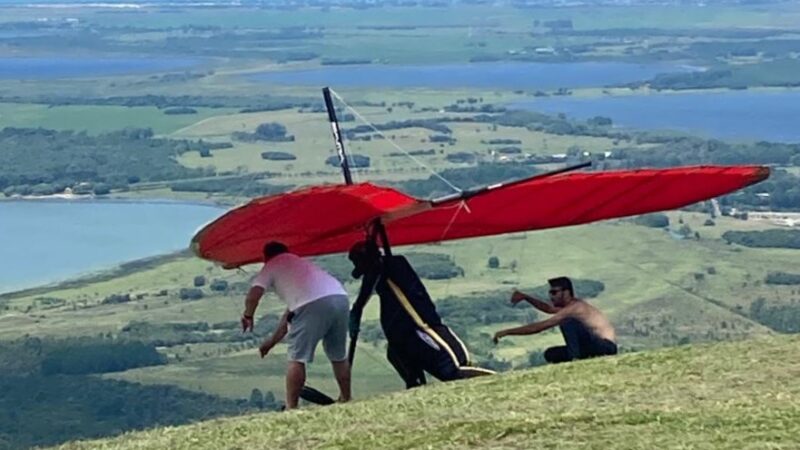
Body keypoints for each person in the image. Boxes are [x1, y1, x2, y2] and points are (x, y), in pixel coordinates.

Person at [348, 240, 493, 388]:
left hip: (422, 329)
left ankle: (497, 380)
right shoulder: (380, 273)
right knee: (403, 366)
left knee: (452, 371)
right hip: (403, 338)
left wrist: (357, 308)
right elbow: (369, 282)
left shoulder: (393, 265)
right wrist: (356, 310)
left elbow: (372, 277)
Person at [242, 241, 351, 409]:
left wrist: (248, 315)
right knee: (338, 355)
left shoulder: (272, 265)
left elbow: (253, 295)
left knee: (296, 358)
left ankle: (291, 408)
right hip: (340, 297)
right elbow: (290, 314)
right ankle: (346, 398)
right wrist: (271, 342)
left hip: (312, 304)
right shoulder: (301, 265)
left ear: (266, 257)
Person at [493, 277, 617, 363]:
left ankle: (576, 360)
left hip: (605, 347)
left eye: (554, 292)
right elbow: (548, 308)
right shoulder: (570, 307)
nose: (551, 296)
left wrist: (506, 332)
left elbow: (539, 327)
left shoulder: (575, 308)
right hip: (591, 347)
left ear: (566, 292)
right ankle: (576, 357)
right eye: (550, 292)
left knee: (568, 322)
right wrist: (526, 297)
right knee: (551, 354)